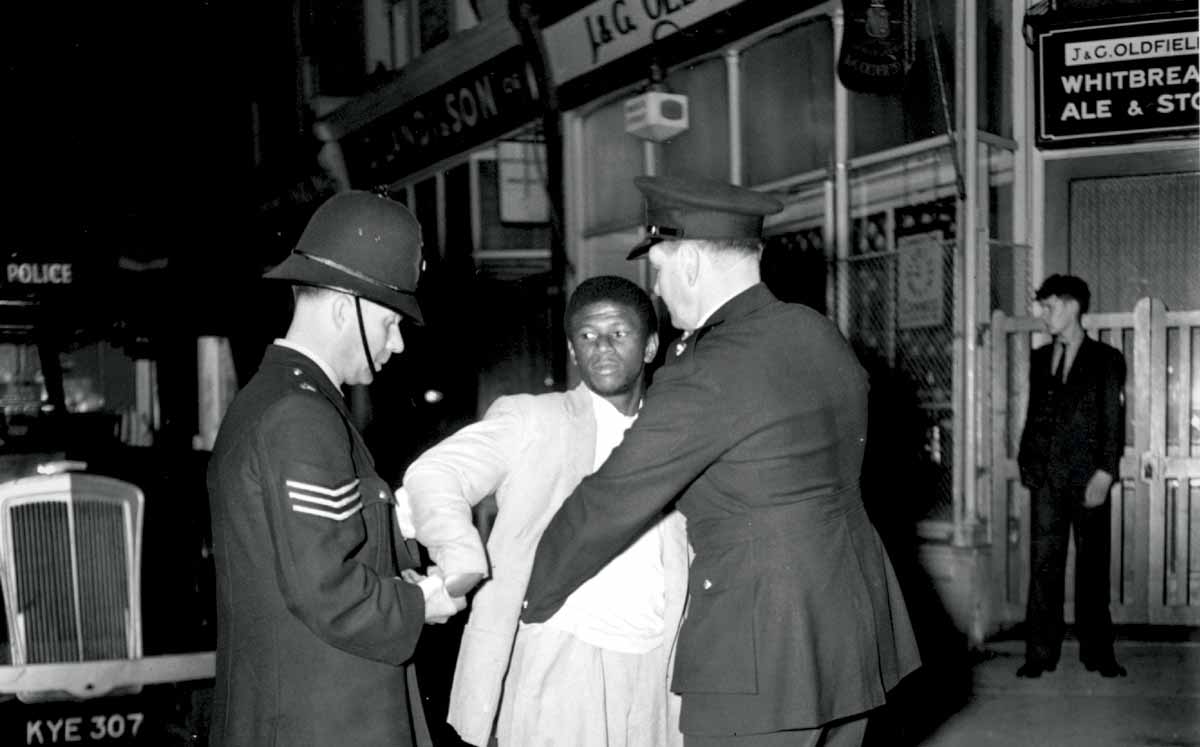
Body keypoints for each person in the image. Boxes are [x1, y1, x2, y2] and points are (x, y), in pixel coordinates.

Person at [521, 175, 921, 746]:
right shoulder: (816, 331)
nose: (658, 289)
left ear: (688, 264)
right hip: (853, 629)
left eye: (658, 270)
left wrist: (530, 593)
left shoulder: (707, 371)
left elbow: (610, 500)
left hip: (760, 648)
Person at [207, 190, 466, 747]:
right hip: (324, 722)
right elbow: (328, 590)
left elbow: (314, 551)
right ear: (344, 306)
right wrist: (424, 603)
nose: (396, 344)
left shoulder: (278, 400)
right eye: (390, 322)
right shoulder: (300, 414)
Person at [397, 275, 689, 747]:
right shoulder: (534, 420)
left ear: (652, 345)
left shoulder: (677, 435)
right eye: (587, 337)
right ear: (573, 351)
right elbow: (434, 475)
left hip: (657, 666)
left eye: (619, 333)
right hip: (561, 662)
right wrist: (462, 562)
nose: (602, 348)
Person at [1016, 274, 1127, 679]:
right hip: (1046, 480)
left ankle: (1098, 654)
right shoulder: (1039, 358)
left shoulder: (1107, 359)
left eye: (1049, 306)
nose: (1043, 314)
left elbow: (1113, 422)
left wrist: (1106, 472)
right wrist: (1028, 462)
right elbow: (1033, 416)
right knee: (1044, 567)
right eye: (1042, 307)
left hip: (1089, 481)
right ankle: (1039, 655)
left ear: (1074, 306)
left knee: (1092, 570)